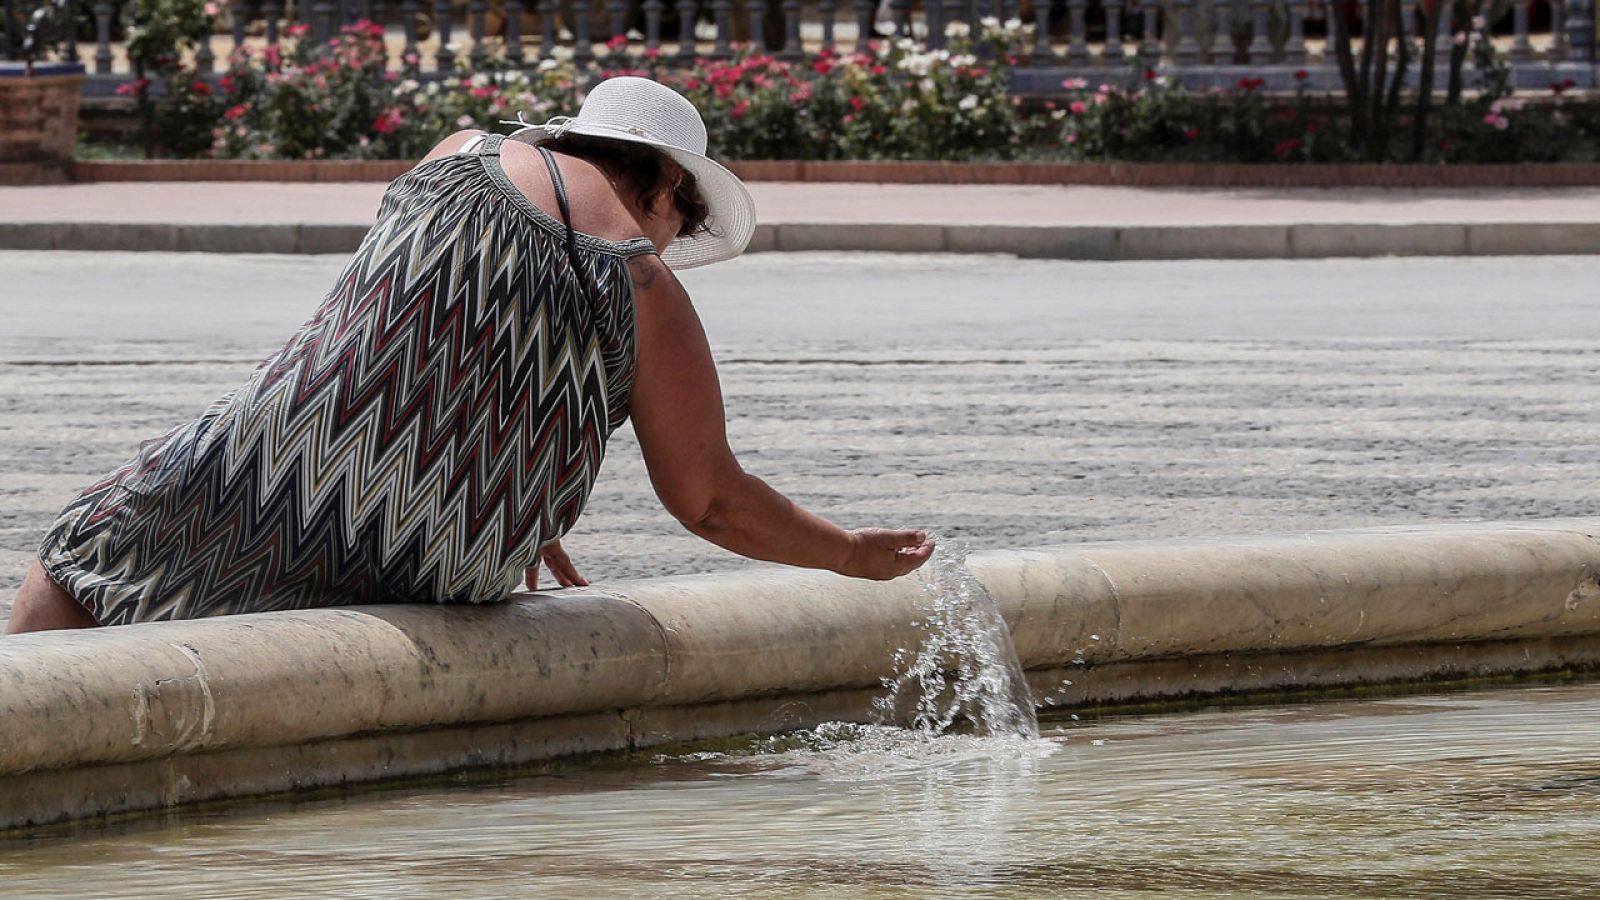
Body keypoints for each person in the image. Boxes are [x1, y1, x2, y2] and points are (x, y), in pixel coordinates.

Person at [6, 76, 934, 636]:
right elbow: (712, 500)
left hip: (271, 472)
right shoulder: (651, 293)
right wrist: (850, 554)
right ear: (663, 182)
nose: (673, 233)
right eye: (685, 214)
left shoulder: (459, 154)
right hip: (452, 548)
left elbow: (400, 326)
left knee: (88, 555)